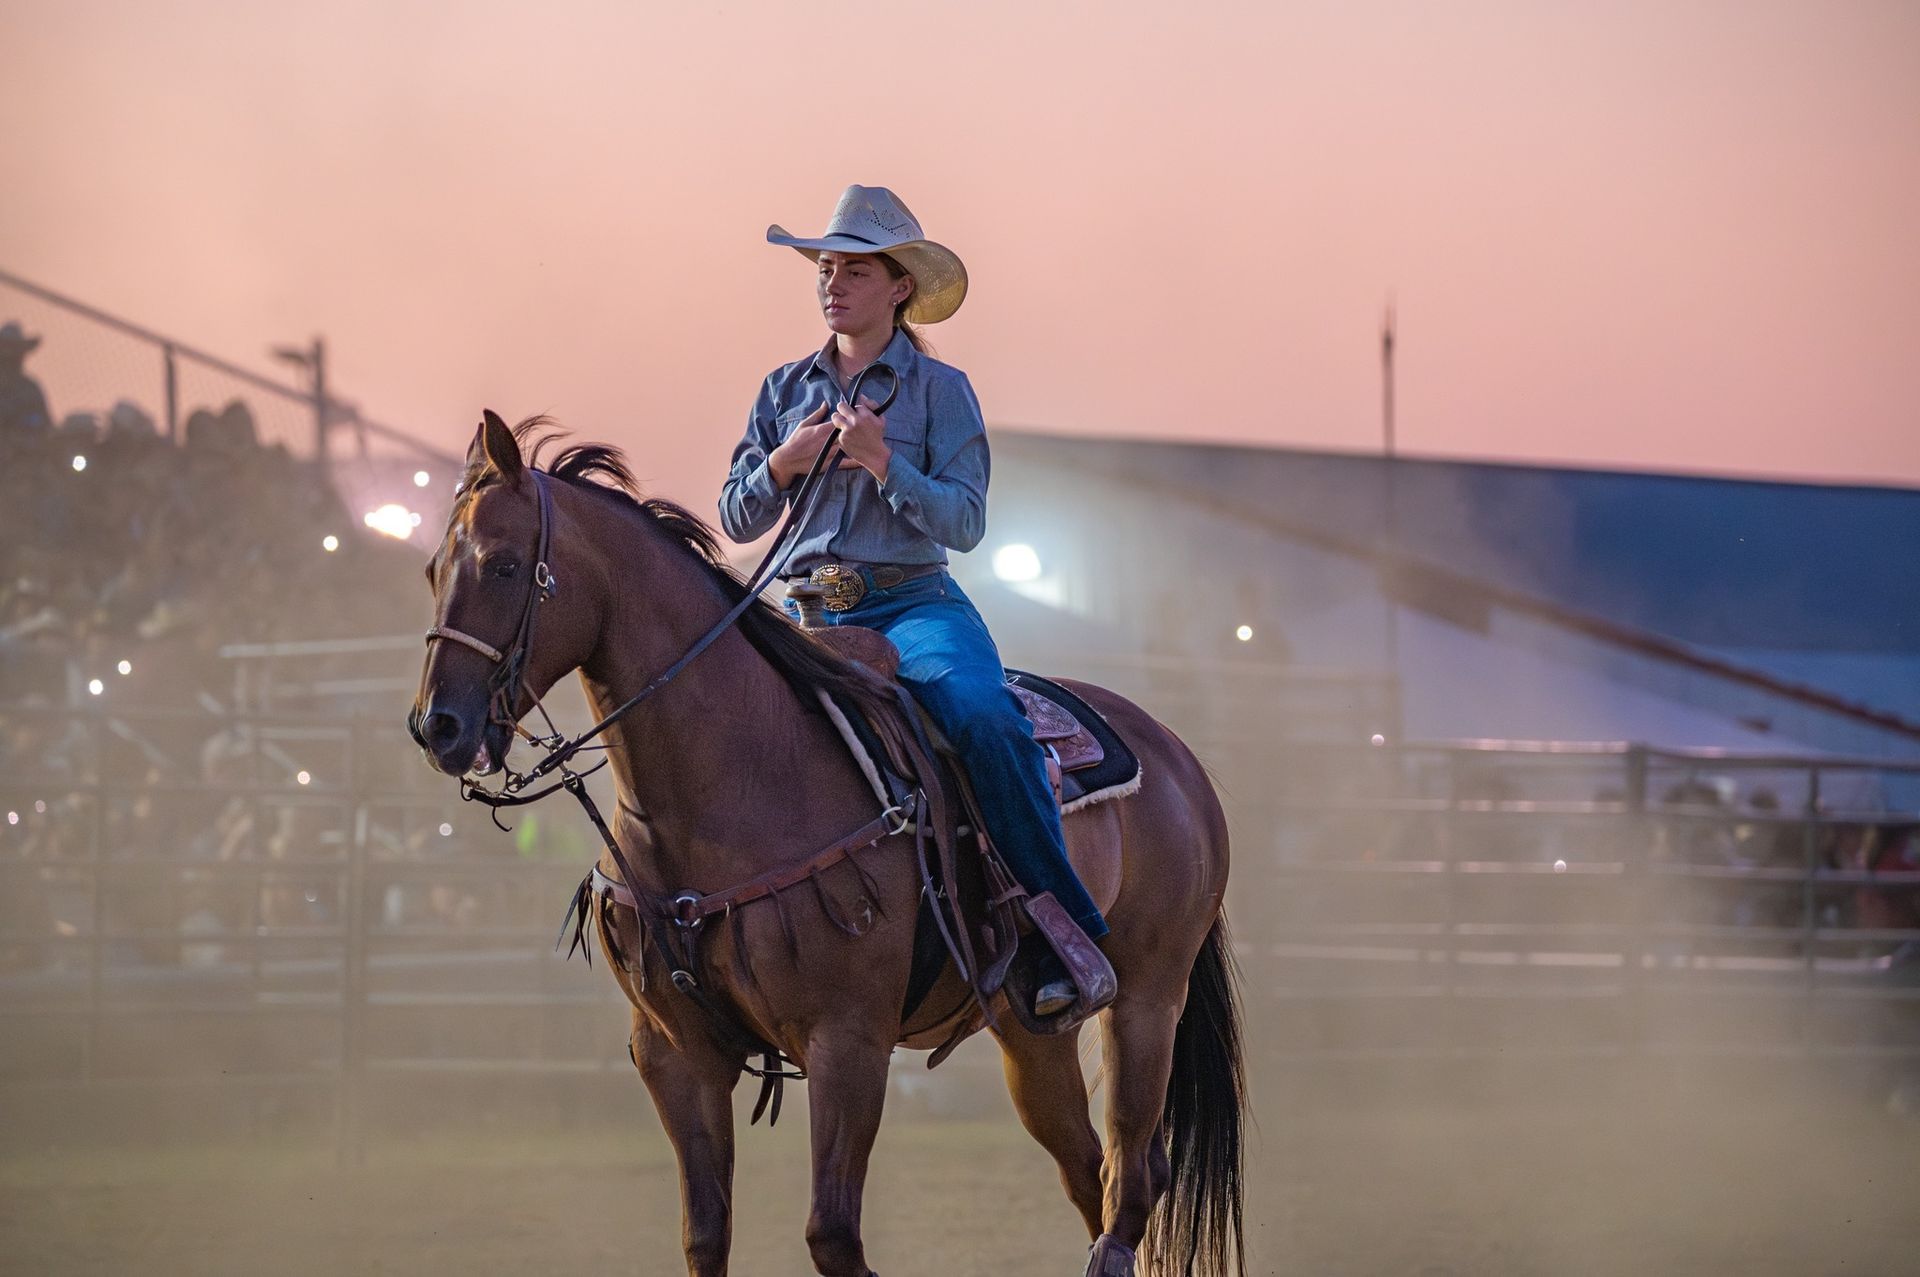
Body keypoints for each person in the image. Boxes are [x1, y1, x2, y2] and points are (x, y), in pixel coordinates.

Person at [719, 184, 1108, 1019]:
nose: (832, 284)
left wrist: (884, 464)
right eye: (825, 268)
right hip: (804, 614)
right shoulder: (782, 389)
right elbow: (733, 515)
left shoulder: (942, 392)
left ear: (899, 287)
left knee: (982, 715)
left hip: (913, 606)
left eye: (854, 270)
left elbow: (964, 521)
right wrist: (781, 466)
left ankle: (1060, 930)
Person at [0, 321, 52, 434]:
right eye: (5, 348)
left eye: (14, 349)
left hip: (22, 448)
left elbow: (45, 425)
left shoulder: (31, 389)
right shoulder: (31, 388)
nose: (9, 354)